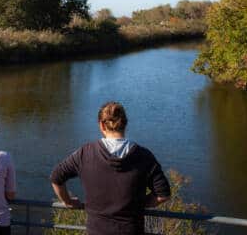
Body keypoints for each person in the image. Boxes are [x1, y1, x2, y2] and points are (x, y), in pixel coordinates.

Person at [50, 101, 171, 235]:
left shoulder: (85, 153)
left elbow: (56, 177)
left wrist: (68, 201)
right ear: (125, 124)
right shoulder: (144, 156)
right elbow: (163, 194)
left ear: (101, 125)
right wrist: (139, 204)